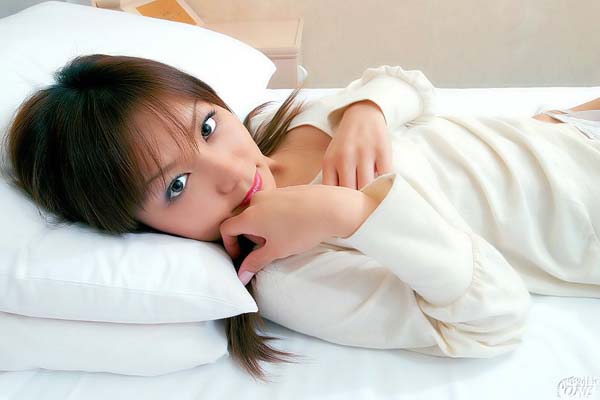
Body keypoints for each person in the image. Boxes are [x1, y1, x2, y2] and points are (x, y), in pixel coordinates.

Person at [4, 54, 600, 381]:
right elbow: (492, 321)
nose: (232, 172)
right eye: (177, 186)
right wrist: (353, 213)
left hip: (564, 128)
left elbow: (406, 84)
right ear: (136, 227)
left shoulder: (269, 125)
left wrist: (367, 108)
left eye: (207, 126)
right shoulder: (292, 274)